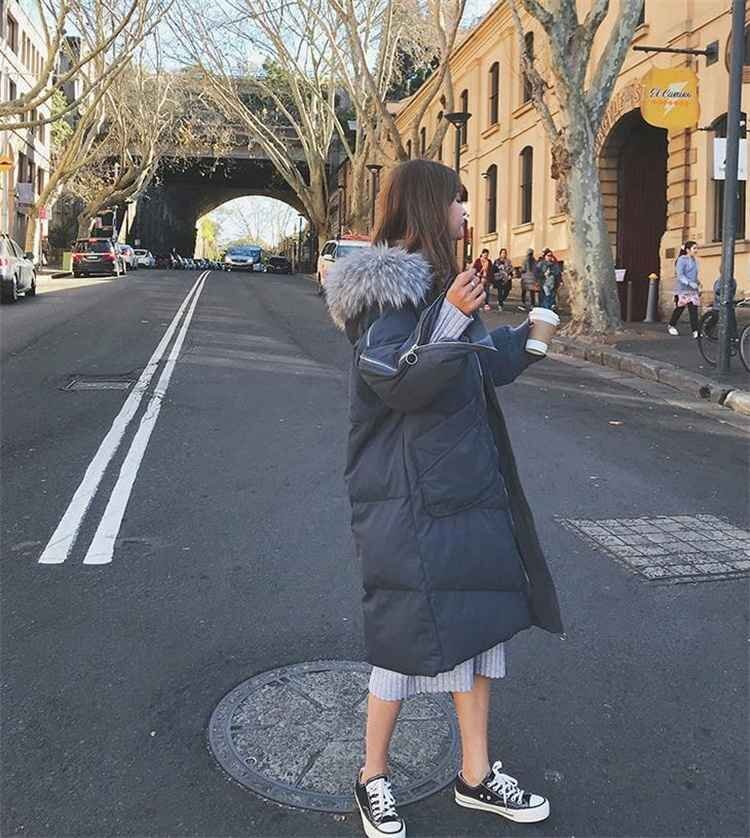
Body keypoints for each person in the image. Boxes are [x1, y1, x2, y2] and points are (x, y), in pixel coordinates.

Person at [324, 159, 564, 838]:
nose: (466, 211)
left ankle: (476, 775)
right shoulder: (386, 292)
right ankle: (372, 775)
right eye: (458, 200)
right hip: (408, 495)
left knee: (479, 631)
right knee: (401, 641)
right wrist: (452, 317)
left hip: (465, 487)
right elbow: (398, 382)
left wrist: (527, 342)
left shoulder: (444, 283)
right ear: (431, 207)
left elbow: (474, 367)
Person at [668, 241, 701, 337]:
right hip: (682, 290)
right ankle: (671, 325)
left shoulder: (694, 260)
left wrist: (698, 283)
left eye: (697, 248)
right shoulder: (682, 260)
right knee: (679, 309)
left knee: (693, 310)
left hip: (692, 290)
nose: (696, 250)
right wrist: (690, 283)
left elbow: (693, 275)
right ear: (687, 250)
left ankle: (695, 331)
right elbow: (680, 275)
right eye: (694, 248)